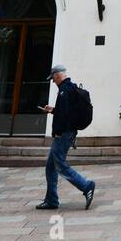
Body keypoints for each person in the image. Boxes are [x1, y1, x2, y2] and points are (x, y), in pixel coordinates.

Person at [36, 65, 95, 211]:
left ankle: (86, 186)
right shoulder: (70, 88)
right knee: (50, 167)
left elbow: (64, 117)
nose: (53, 82)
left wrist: (57, 132)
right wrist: (53, 110)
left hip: (63, 134)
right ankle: (51, 200)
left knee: (60, 165)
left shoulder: (64, 91)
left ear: (57, 75)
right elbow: (67, 112)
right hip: (68, 132)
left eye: (53, 79)